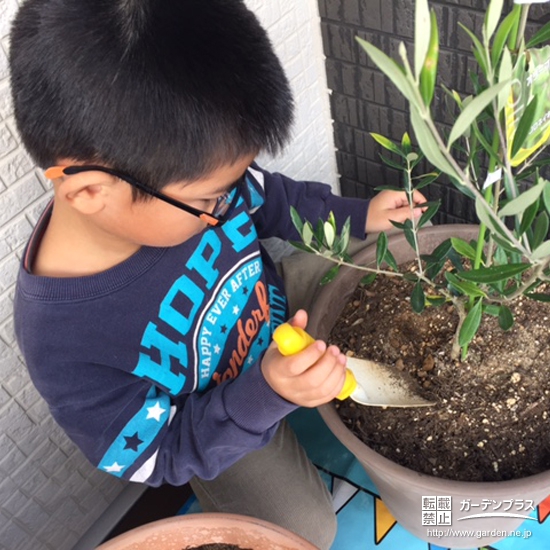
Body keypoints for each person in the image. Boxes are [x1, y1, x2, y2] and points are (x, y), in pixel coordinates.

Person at [9, 1, 425, 548]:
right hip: (220, 415)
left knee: (390, 276)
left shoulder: (183, 175)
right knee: (306, 530)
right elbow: (159, 453)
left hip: (278, 312)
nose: (227, 205)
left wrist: (358, 216)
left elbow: (270, 198)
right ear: (89, 190)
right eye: (209, 200)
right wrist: (268, 392)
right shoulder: (66, 338)